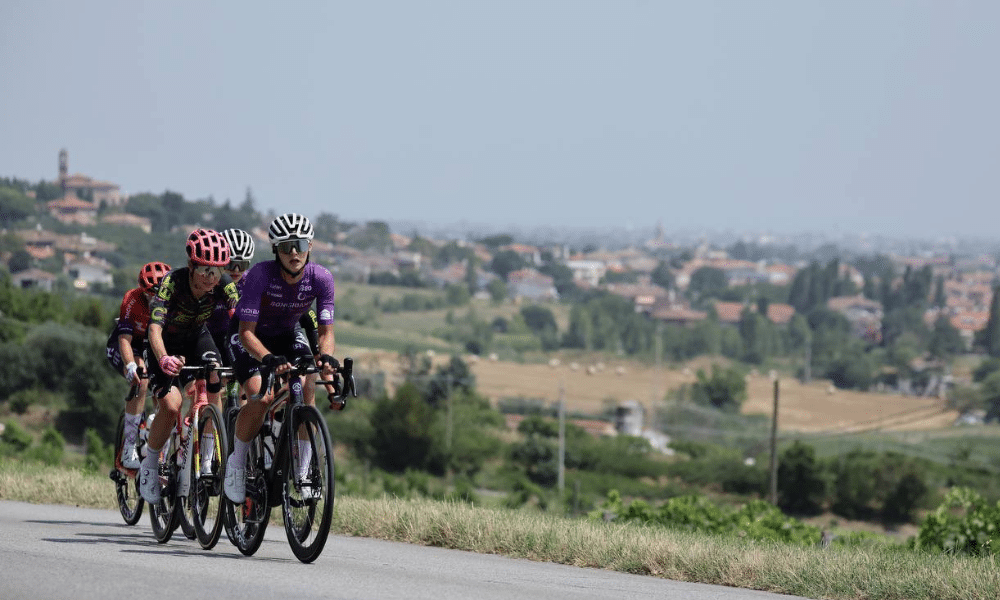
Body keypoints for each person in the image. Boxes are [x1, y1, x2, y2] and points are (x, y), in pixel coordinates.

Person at [224, 212, 337, 503]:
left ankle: (303, 471)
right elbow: (246, 333)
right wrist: (268, 358)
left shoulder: (321, 278)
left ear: (310, 245)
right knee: (260, 397)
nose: (294, 252)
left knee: (307, 382)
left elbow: (326, 331)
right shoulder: (259, 275)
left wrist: (325, 359)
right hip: (249, 337)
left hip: (287, 333)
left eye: (299, 244)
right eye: (286, 246)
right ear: (276, 249)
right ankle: (236, 463)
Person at [138, 228, 239, 504]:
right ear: (192, 265)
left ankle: (207, 454)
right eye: (205, 269)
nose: (212, 277)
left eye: (217, 270)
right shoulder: (173, 282)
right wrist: (162, 358)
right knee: (172, 405)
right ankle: (148, 465)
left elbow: (241, 321)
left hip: (196, 338)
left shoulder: (223, 283)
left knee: (216, 374)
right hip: (165, 344)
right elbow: (154, 330)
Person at [106, 261, 171, 469]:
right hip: (128, 344)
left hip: (153, 345)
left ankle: (154, 431)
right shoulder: (132, 299)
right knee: (141, 379)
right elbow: (124, 338)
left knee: (166, 387)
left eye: (158, 294)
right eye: (149, 294)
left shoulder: (173, 300)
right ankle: (129, 447)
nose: (154, 298)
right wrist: (131, 366)